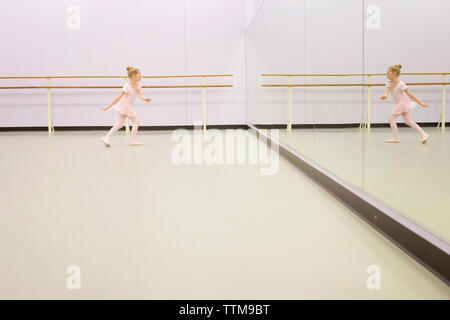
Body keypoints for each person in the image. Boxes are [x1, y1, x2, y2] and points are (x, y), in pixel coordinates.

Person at [101, 66, 151, 147]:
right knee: (136, 121)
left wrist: (145, 99)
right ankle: (132, 141)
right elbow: (118, 97)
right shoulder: (127, 86)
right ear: (134, 76)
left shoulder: (138, 86)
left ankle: (106, 137)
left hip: (123, 107)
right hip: (124, 106)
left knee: (120, 124)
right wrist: (108, 106)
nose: (141, 77)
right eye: (139, 75)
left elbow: (141, 96)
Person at [380, 64, 429, 143]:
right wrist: (385, 96)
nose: (387, 74)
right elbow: (386, 92)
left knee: (391, 118)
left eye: (388, 73)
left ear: (394, 74)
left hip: (403, 103)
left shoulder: (401, 84)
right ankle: (424, 134)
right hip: (402, 104)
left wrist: (420, 103)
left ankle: (396, 138)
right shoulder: (388, 83)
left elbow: (410, 95)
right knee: (408, 121)